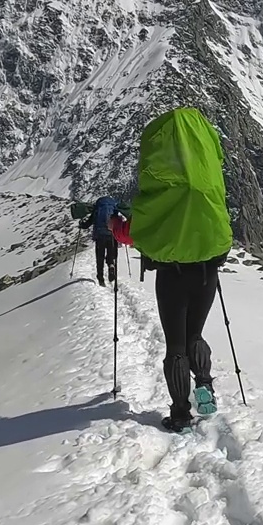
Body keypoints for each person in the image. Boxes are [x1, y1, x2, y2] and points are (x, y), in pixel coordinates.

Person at [106, 108, 233, 432]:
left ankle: (180, 413)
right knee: (195, 335)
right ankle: (203, 380)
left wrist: (114, 224)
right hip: (207, 269)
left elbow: (133, 232)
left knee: (175, 344)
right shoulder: (207, 186)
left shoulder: (162, 192)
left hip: (172, 274)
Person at [71, 195, 126, 285]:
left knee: (100, 256)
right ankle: (111, 266)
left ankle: (100, 277)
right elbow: (118, 222)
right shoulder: (114, 209)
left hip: (100, 235)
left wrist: (82, 224)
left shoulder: (97, 209)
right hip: (112, 234)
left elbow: (88, 223)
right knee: (111, 253)